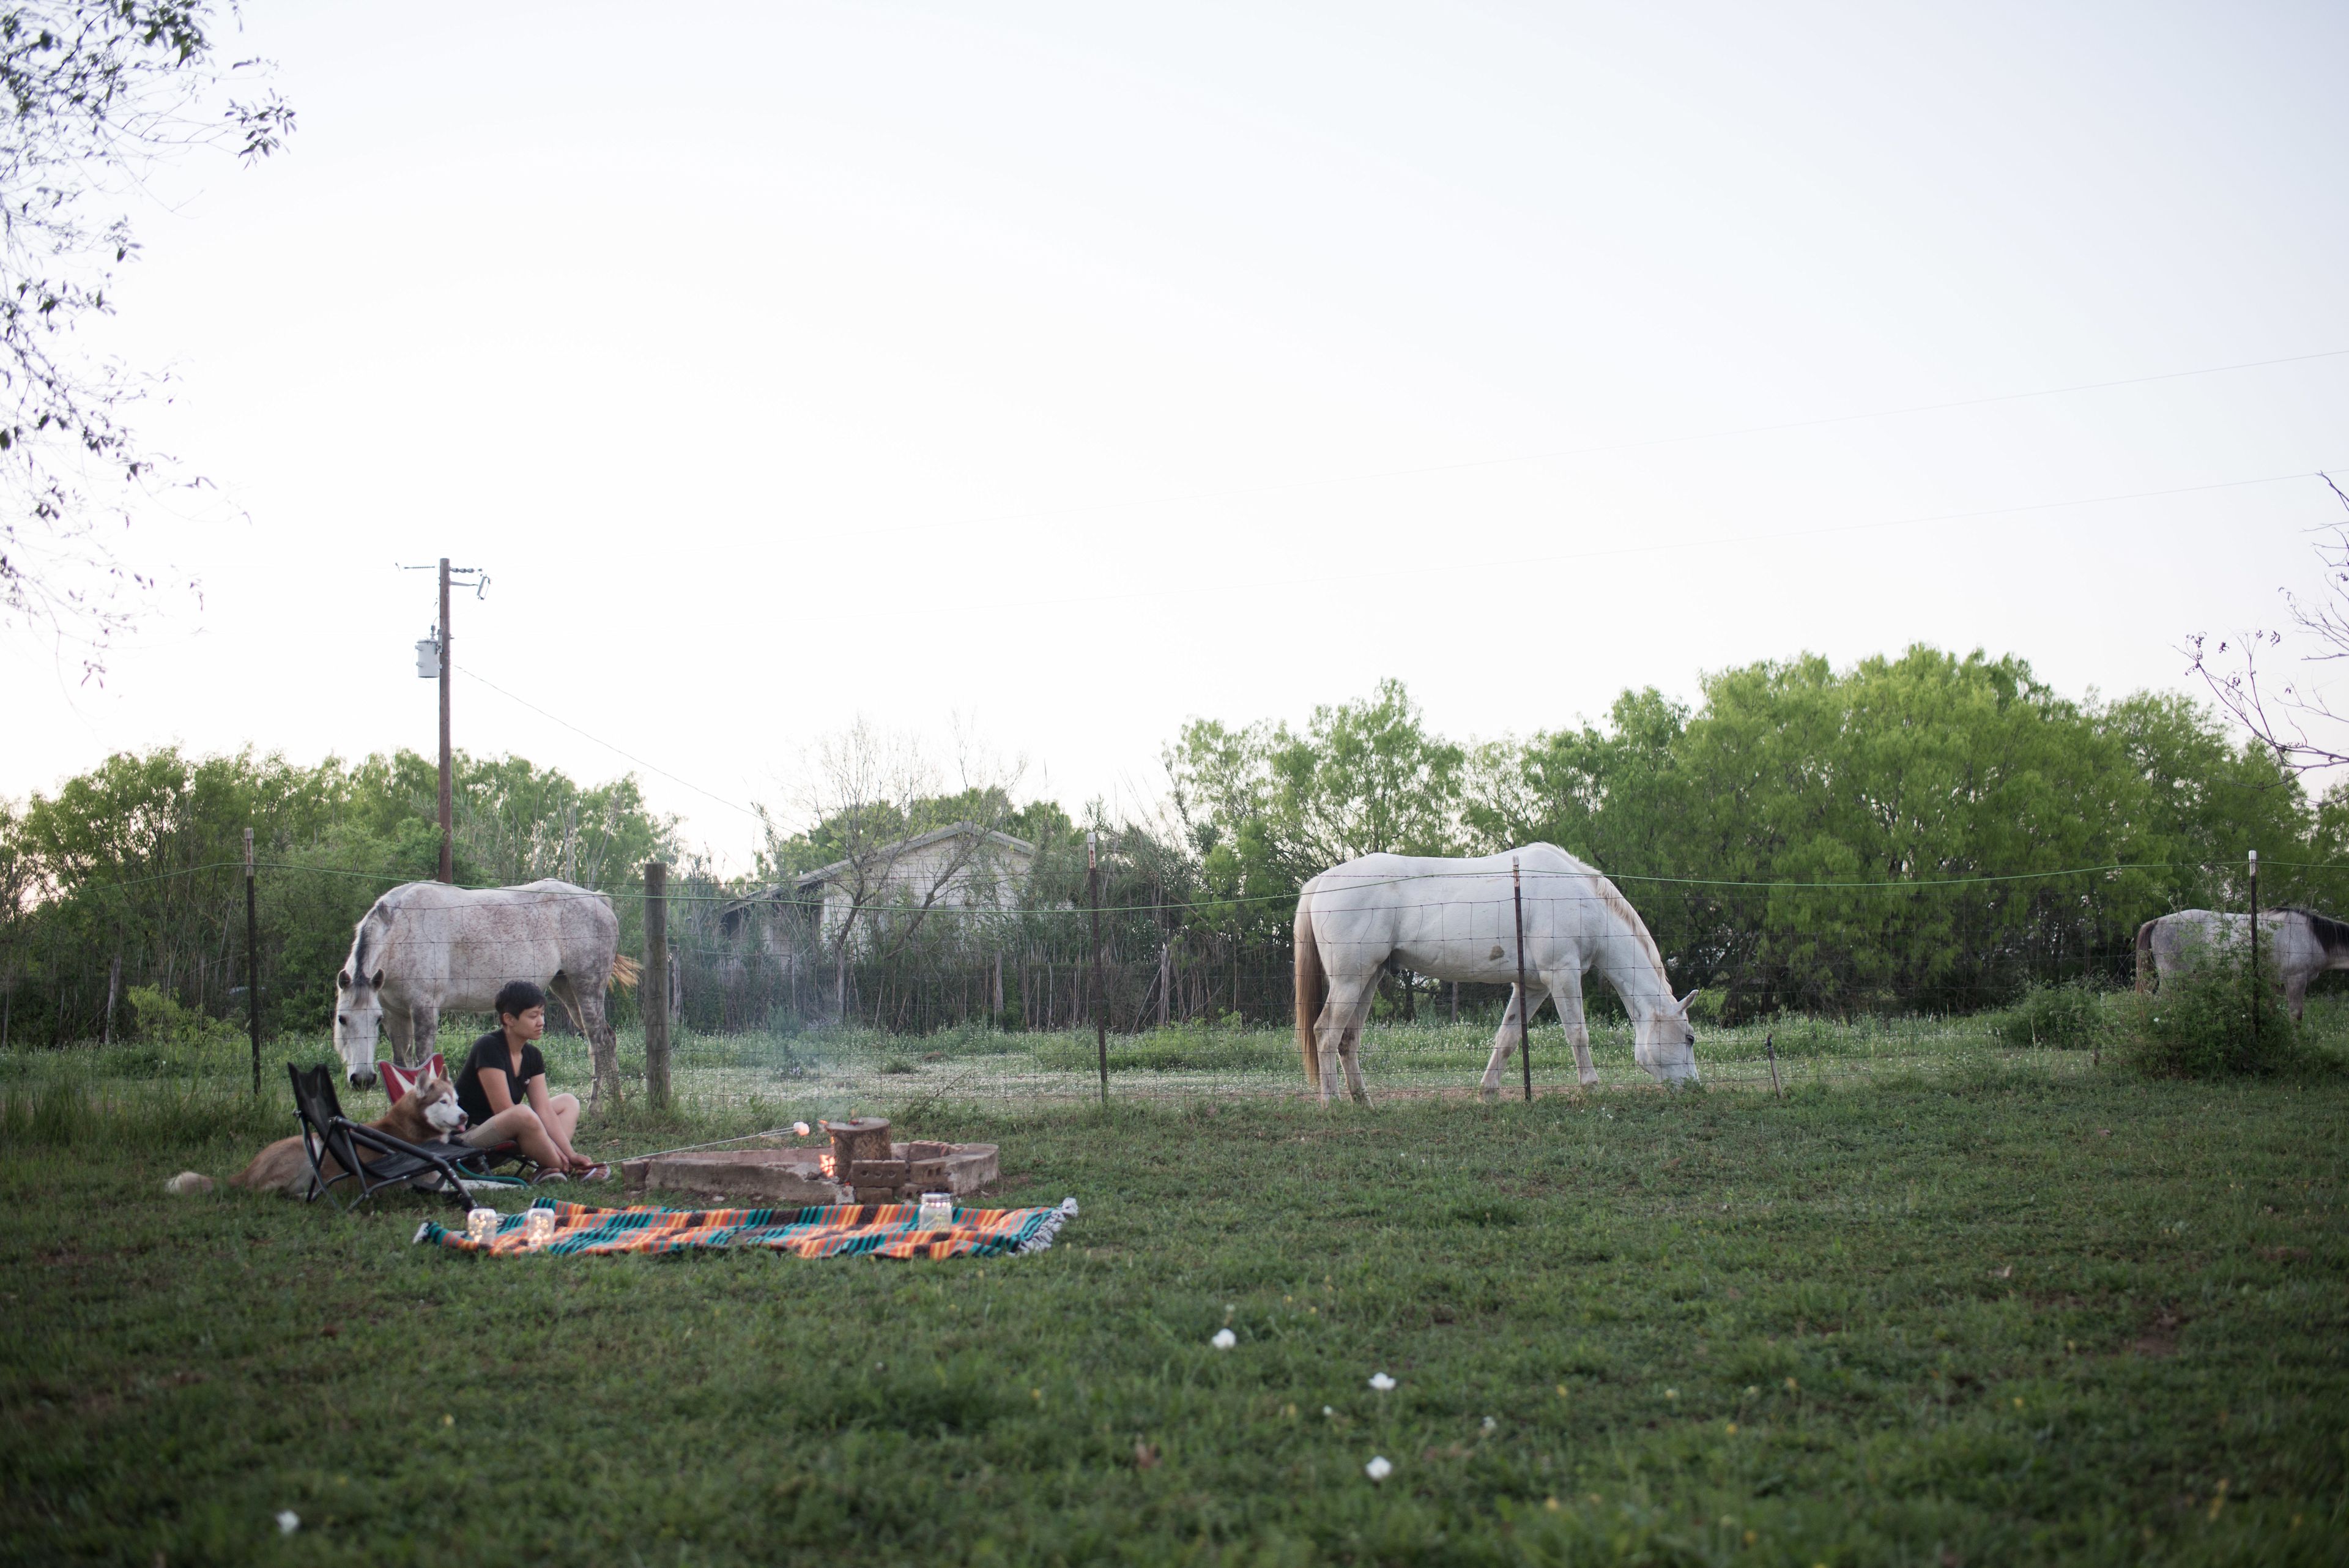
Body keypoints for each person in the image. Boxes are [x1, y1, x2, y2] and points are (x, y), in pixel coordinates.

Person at [455, 980, 603, 1180]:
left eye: (542, 1014)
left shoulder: (532, 1055)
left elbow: (544, 1110)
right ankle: (565, 1167)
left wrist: (570, 1152)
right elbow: (505, 1111)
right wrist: (559, 1153)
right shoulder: (488, 1047)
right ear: (509, 1019)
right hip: (469, 1137)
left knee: (568, 1102)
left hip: (507, 1129)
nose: (541, 1022)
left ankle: (551, 1166)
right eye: (533, 1016)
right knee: (521, 1113)